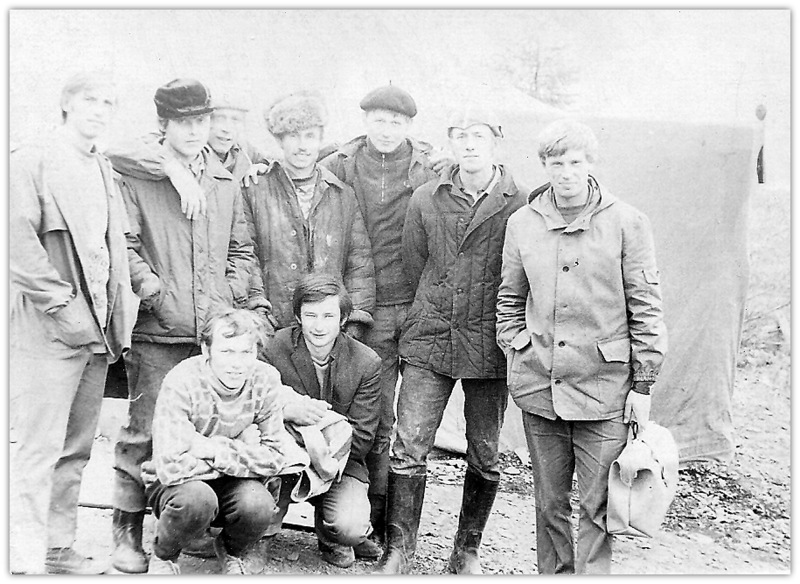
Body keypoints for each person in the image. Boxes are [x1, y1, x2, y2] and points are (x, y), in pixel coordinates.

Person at [495, 119, 668, 574]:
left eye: (575, 162)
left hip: (604, 388)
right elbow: (509, 298)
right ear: (544, 166)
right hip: (541, 386)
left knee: (597, 505)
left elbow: (646, 308)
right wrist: (518, 347)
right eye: (556, 164)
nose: (566, 173)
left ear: (591, 163)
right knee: (548, 502)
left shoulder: (627, 222)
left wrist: (643, 385)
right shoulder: (523, 223)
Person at [110, 78, 262, 574]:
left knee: (204, 427)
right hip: (158, 331)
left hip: (209, 333)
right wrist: (153, 290)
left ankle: (189, 527)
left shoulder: (223, 179)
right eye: (184, 122)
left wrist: (226, 295)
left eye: (202, 120)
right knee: (143, 430)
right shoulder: (139, 175)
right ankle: (126, 529)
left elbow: (241, 248)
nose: (196, 131)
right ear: (164, 125)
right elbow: (125, 247)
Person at [375, 105, 526, 575]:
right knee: (409, 445)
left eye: (478, 134)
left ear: (496, 141)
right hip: (431, 337)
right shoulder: (427, 197)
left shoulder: (519, 201)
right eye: (460, 135)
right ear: (451, 142)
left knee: (485, 452)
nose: (469, 143)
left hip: (489, 343)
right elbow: (414, 262)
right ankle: (400, 550)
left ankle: (467, 551)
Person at [9, 72, 138, 574]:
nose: (100, 110)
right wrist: (61, 306)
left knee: (76, 449)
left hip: (96, 333)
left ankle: (58, 547)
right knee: (37, 448)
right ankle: (21, 558)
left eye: (109, 102)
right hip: (49, 331)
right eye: (90, 100)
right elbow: (16, 245)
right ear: (66, 103)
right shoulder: (32, 160)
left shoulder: (101, 165)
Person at [319, 85, 443, 556]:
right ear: (365, 121)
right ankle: (362, 522)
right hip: (362, 307)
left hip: (416, 306)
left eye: (396, 122)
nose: (387, 129)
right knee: (371, 415)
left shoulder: (430, 167)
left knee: (406, 422)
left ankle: (394, 529)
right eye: (379, 120)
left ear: (409, 126)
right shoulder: (340, 164)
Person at [143, 309, 294, 575]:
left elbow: (276, 457)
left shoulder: (266, 379)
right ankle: (165, 555)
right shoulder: (182, 380)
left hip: (228, 479)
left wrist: (211, 448)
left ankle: (230, 550)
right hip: (179, 485)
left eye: (246, 352)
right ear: (206, 349)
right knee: (197, 500)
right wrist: (243, 448)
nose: (237, 364)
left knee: (259, 504)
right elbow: (170, 466)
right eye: (227, 352)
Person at [261, 273, 382, 568]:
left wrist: (312, 433)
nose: (318, 326)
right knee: (255, 501)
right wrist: (288, 412)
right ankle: (261, 536)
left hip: (340, 463)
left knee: (349, 526)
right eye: (310, 315)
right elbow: (253, 409)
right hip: (284, 459)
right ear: (298, 317)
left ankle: (330, 535)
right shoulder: (275, 347)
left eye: (328, 316)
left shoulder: (366, 362)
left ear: (343, 319)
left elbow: (362, 439)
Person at [242, 91, 375, 336]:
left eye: (310, 136)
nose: (302, 146)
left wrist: (354, 319)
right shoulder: (255, 190)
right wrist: (259, 311)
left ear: (320, 139)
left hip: (327, 329)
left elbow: (359, 263)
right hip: (273, 326)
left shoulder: (341, 195)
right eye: (293, 136)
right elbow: (246, 256)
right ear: (280, 140)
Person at [105, 87, 270, 221]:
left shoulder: (243, 151)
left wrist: (262, 167)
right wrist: (172, 168)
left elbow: (270, 162)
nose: (227, 128)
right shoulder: (178, 148)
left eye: (235, 120)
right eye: (218, 118)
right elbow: (116, 153)